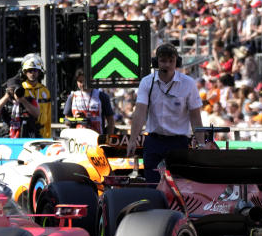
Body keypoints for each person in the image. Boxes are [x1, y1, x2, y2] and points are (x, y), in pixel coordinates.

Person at [126, 43, 204, 183]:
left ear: (177, 62)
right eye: (163, 61)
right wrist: (132, 140)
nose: (167, 64)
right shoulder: (146, 82)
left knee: (179, 187)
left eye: (171, 61)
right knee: (153, 185)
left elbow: (195, 117)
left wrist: (202, 144)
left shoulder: (188, 83)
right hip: (154, 142)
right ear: (156, 62)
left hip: (178, 143)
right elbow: (140, 113)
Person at [63, 67, 114, 134]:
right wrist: (75, 120)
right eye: (80, 81)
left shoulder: (102, 96)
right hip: (77, 138)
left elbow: (110, 120)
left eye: (85, 81)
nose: (83, 84)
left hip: (97, 137)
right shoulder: (72, 96)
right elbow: (66, 120)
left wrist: (108, 138)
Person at [17, 53, 52, 137]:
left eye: (35, 70)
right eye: (30, 70)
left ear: (40, 72)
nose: (32, 73)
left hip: (42, 134)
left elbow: (48, 118)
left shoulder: (45, 91)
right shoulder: (20, 89)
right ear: (24, 72)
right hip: (24, 133)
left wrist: (48, 137)